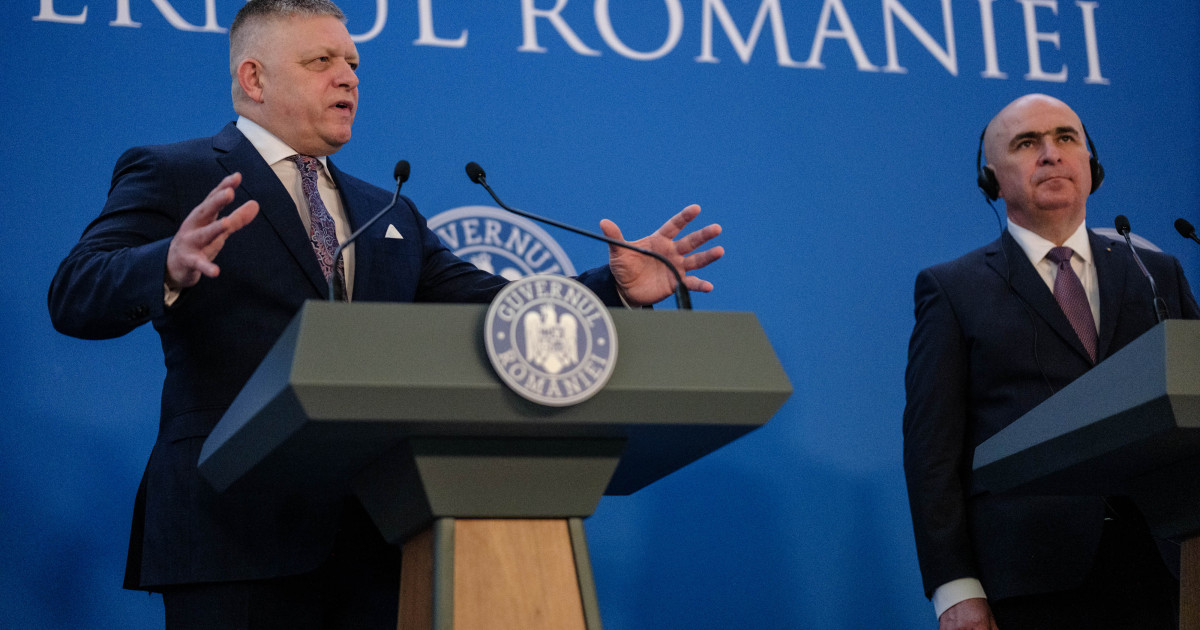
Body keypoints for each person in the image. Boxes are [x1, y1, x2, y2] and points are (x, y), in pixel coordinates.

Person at [46, 0, 723, 627]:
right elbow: (76, 290)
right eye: (321, 61)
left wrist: (613, 288)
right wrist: (167, 263)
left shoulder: (386, 210)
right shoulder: (178, 173)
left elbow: (493, 308)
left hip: (376, 537)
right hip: (232, 531)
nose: (347, 77)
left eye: (352, 63)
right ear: (253, 78)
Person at [902, 93, 1199, 630]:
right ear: (992, 180)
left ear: (1092, 164)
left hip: (1166, 562)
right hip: (1031, 575)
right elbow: (932, 455)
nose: (1051, 153)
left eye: (1066, 138)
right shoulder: (953, 289)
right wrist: (955, 589)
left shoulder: (1156, 273)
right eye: (1026, 143)